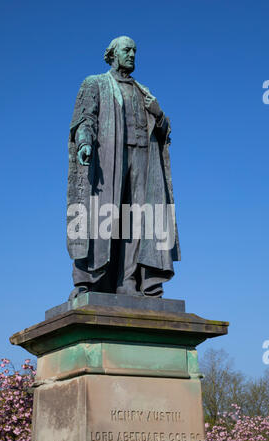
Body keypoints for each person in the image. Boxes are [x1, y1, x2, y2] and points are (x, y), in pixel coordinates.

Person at [67, 36, 180, 300]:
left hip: (144, 158)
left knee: (139, 220)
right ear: (112, 54)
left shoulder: (144, 91)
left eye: (134, 51)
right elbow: (85, 117)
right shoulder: (95, 83)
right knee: (104, 216)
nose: (131, 54)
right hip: (109, 158)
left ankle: (128, 280)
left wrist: (159, 112)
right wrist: (84, 141)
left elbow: (165, 131)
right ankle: (93, 279)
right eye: (126, 50)